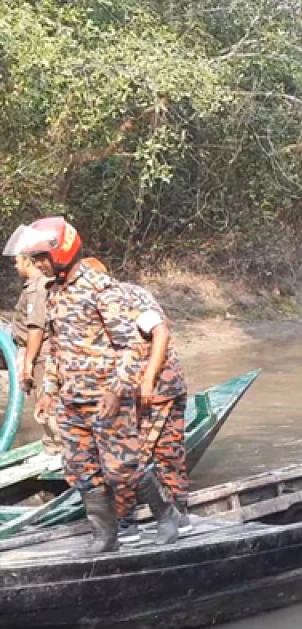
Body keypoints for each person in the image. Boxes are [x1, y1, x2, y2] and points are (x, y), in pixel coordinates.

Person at [3, 217, 181, 553]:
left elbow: (130, 345)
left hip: (106, 397)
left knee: (123, 469)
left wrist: (118, 390)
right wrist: (49, 391)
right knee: (81, 472)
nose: (38, 264)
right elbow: (56, 346)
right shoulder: (54, 292)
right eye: (36, 259)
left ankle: (166, 513)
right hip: (71, 399)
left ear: (62, 251)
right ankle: (105, 537)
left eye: (42, 257)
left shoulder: (100, 289)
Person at [112, 281, 191, 540]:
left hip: (155, 390)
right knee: (165, 453)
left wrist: (147, 380)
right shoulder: (107, 296)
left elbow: (161, 332)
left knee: (130, 455)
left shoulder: (123, 297)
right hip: (154, 388)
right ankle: (177, 513)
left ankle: (128, 522)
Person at [9, 253, 62, 454]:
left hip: (41, 354)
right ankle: (52, 444)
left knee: (47, 401)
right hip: (38, 352)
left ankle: (57, 449)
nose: (15, 266)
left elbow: (36, 329)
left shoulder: (38, 288)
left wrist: (28, 362)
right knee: (43, 402)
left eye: (17, 261)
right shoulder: (36, 286)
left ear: (27, 261)